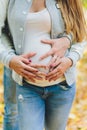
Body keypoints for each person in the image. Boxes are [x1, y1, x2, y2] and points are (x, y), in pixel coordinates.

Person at [0, 0, 86, 130]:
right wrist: (9, 59)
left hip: (62, 87)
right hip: (27, 86)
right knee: (12, 114)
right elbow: (3, 32)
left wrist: (69, 58)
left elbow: (81, 31)